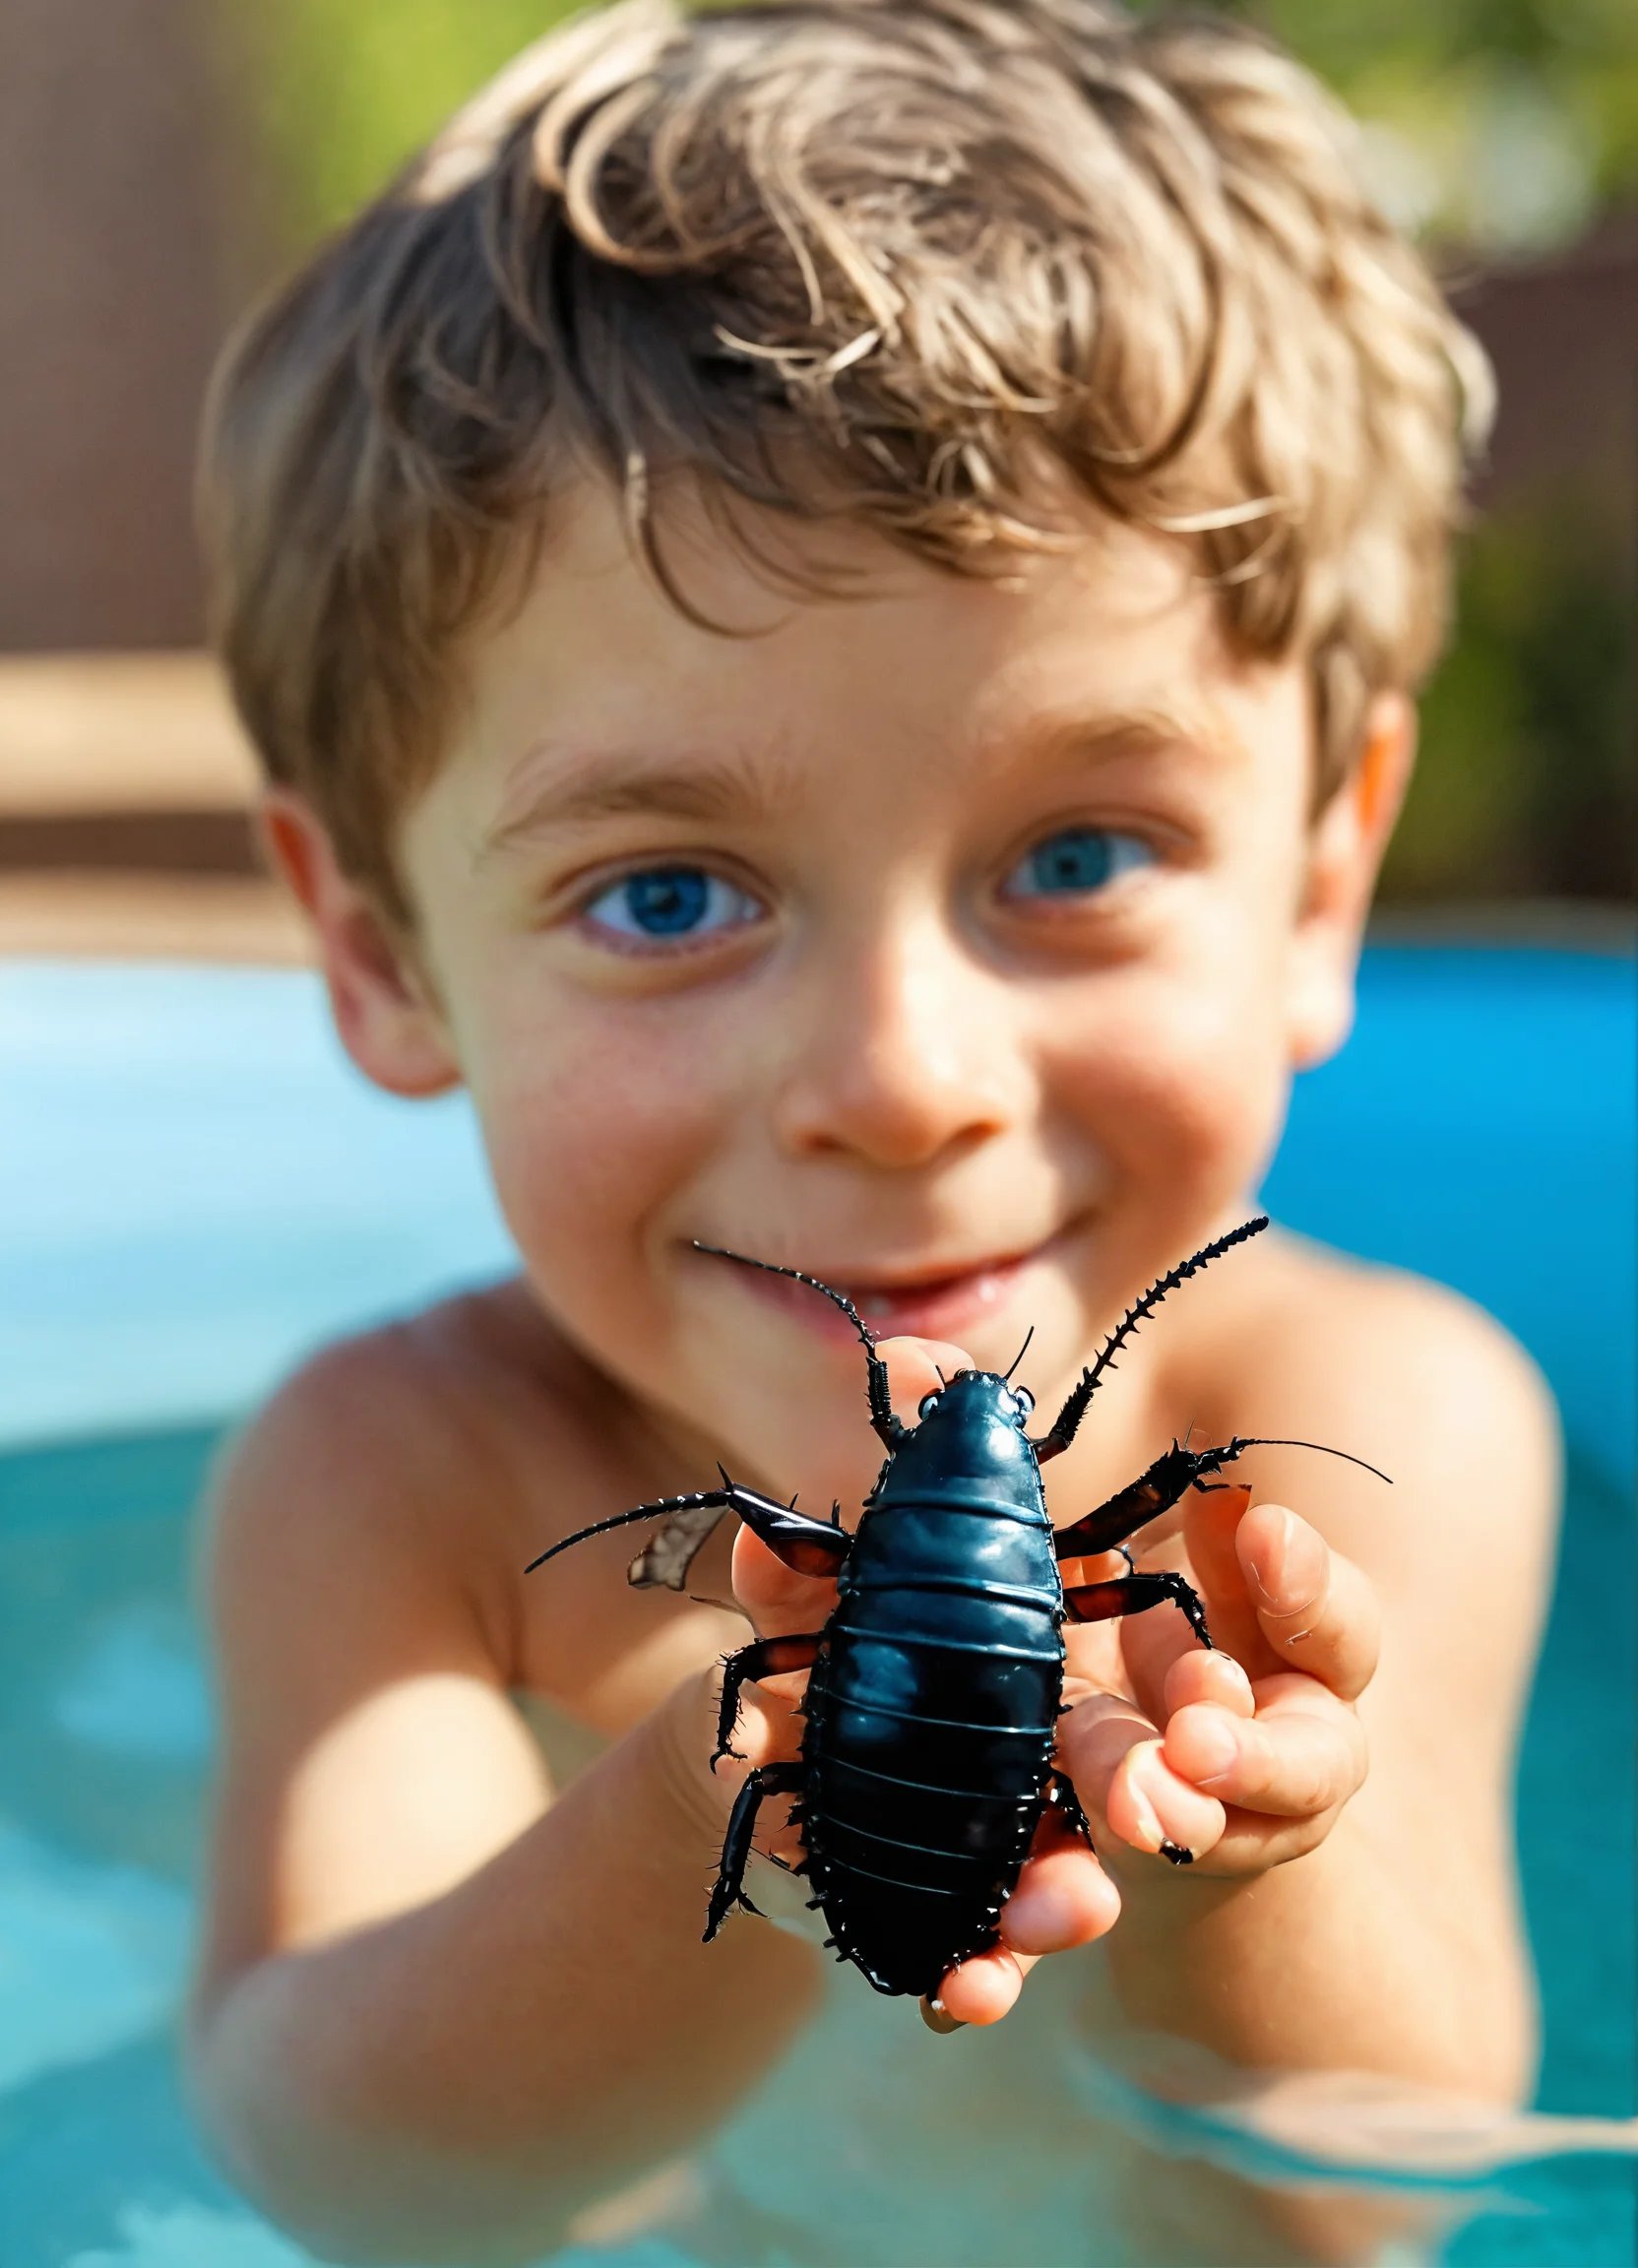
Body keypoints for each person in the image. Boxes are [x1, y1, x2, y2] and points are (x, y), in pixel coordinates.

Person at [185, 3, 1558, 2260]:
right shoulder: (395, 1482)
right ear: (384, 957)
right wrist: (704, 1800)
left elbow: (1371, 2197)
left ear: (1323, 882)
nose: (907, 1082)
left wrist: (1233, 1849)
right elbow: (361, 2174)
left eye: (1079, 857)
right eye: (666, 894)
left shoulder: (1369, 1410)